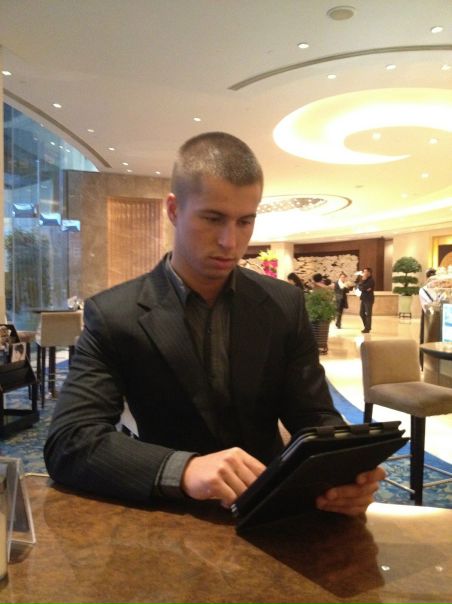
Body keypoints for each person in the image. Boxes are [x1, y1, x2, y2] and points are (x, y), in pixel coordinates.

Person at [44, 132, 384, 516]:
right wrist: (183, 469)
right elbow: (70, 441)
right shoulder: (114, 314)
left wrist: (340, 468)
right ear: (174, 210)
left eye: (245, 222)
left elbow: (313, 414)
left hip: (268, 509)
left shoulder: (284, 304)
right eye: (213, 218)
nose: (230, 241)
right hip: (169, 516)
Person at [357, 267, 375, 333]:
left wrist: (363, 287)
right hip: (363, 298)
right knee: (361, 313)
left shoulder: (371, 280)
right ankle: (367, 326)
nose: (364, 273)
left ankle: (367, 328)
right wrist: (363, 284)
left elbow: (364, 288)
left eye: (365, 272)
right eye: (364, 271)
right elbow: (360, 287)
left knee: (368, 314)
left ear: (369, 273)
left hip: (369, 299)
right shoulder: (364, 279)